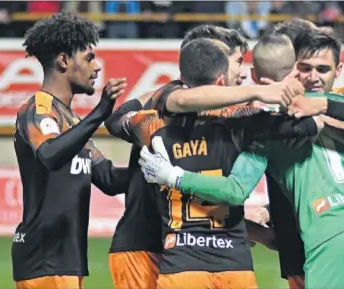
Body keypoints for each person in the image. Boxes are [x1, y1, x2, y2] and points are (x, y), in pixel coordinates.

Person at [138, 31, 344, 289]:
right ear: (296, 70)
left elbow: (235, 190)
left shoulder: (263, 128)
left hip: (333, 240)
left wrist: (173, 176)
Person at [107, 38, 322, 289]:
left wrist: (160, 95)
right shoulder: (244, 122)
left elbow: (116, 121)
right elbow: (311, 125)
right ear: (221, 79)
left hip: (181, 264)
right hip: (233, 263)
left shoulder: (153, 126)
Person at [106, 24, 253, 289]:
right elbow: (116, 121)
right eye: (237, 62)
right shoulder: (165, 104)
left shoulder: (228, 116)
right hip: (145, 244)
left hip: (188, 247)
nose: (242, 73)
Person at [12, 11, 128, 289]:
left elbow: (110, 179)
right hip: (43, 259)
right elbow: (50, 154)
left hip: (65, 259)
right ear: (63, 61)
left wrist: (161, 169)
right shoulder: (37, 108)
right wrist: (100, 113)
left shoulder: (72, 122)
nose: (97, 67)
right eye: (89, 58)